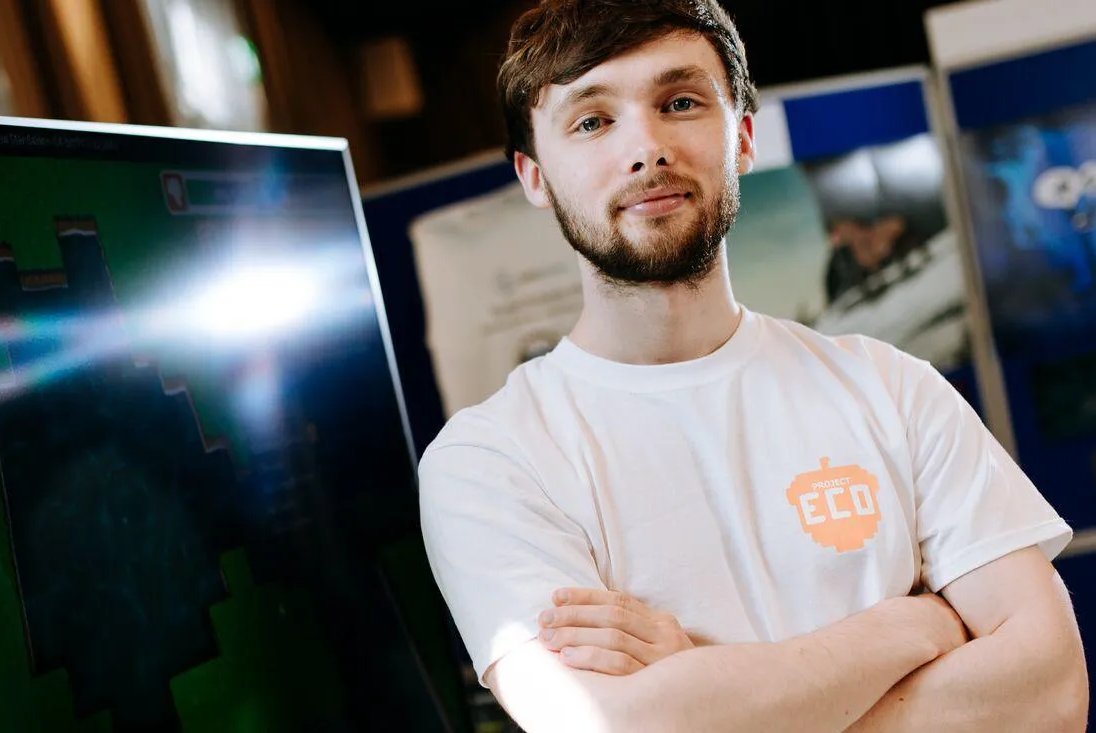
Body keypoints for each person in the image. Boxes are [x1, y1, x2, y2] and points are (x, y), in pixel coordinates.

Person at [415, 1, 1089, 731]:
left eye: (678, 102)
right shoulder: (489, 462)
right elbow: (616, 726)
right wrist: (910, 628)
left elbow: (1049, 691)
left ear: (739, 138)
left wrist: (718, 696)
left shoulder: (890, 387)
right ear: (534, 176)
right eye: (591, 121)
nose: (645, 148)